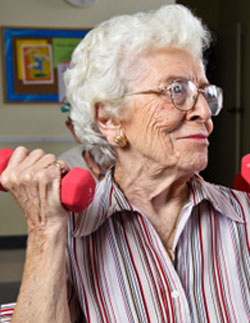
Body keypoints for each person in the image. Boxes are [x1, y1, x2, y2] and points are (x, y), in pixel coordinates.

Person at [0, 4, 249, 323]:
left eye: (205, 93)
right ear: (110, 119)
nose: (203, 111)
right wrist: (45, 231)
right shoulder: (71, 236)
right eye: (177, 90)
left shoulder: (244, 215)